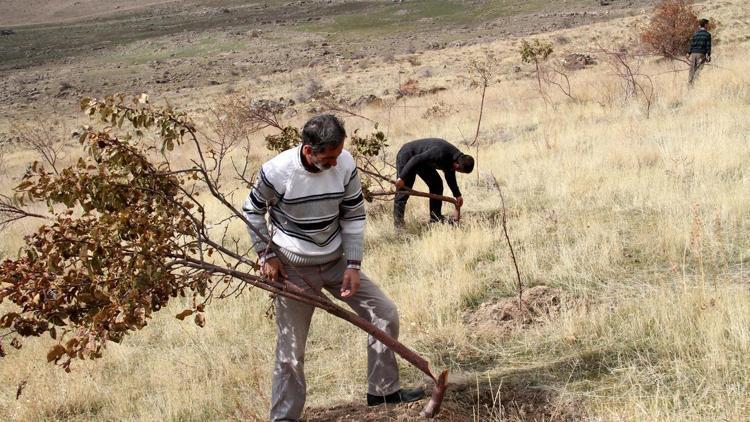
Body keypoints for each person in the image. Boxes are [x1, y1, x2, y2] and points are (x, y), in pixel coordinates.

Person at [242, 114, 424, 422]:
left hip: (336, 262)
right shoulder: (278, 171)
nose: (335, 163)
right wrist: (266, 255)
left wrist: (353, 265)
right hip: (293, 269)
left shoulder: (346, 164)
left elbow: (353, 215)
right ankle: (284, 418)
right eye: (328, 158)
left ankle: (383, 393)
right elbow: (252, 211)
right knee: (291, 351)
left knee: (384, 313)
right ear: (308, 149)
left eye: (339, 154)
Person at [393, 138, 474, 227]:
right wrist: (402, 178)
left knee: (437, 184)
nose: (457, 172)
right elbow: (416, 159)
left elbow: (450, 177)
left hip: (422, 161)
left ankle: (435, 217)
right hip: (408, 156)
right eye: (459, 171)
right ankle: (398, 225)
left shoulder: (455, 159)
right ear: (457, 165)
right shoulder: (440, 153)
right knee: (403, 192)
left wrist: (457, 195)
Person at [687, 18, 712, 85]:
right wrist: (708, 55)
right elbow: (708, 46)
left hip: (693, 54)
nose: (708, 26)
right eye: (707, 24)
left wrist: (688, 53)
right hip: (701, 54)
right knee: (698, 69)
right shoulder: (707, 34)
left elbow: (692, 44)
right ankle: (695, 84)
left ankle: (689, 84)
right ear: (705, 25)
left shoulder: (695, 34)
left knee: (692, 70)